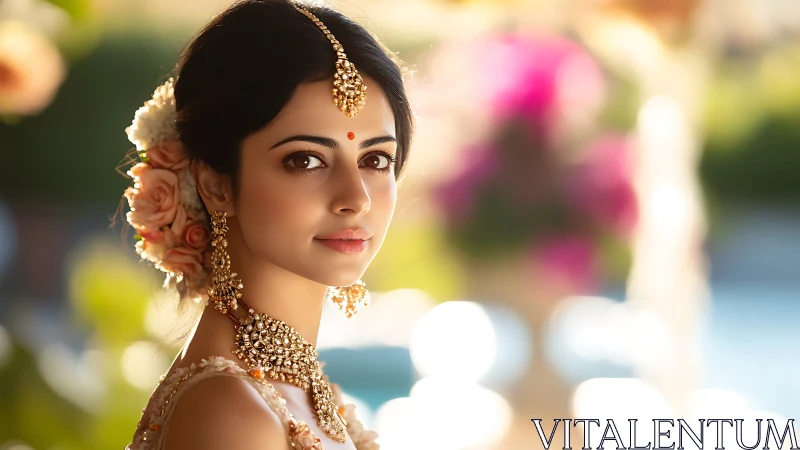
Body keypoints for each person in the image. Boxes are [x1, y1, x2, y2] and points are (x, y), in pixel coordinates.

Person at [121, 1, 413, 448]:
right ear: (217, 185)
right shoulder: (232, 414)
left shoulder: (296, 391)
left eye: (375, 160)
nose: (357, 199)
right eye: (306, 160)